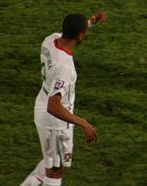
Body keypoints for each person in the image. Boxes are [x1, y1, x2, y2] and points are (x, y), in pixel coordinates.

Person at [21, 12, 107, 186]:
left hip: (42, 104)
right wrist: (83, 122)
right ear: (80, 35)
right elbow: (54, 106)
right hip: (54, 120)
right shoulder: (64, 67)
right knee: (55, 172)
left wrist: (91, 22)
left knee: (50, 161)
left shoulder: (50, 40)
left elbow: (72, 31)